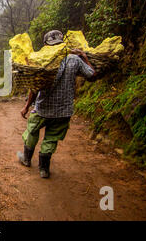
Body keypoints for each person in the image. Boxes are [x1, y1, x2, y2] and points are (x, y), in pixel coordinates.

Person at [17, 30, 96, 179]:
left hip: (42, 109)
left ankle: (26, 159)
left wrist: (27, 106)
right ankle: (44, 170)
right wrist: (85, 58)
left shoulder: (42, 60)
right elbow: (92, 75)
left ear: (46, 44)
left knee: (32, 131)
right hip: (63, 111)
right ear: (62, 42)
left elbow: (34, 88)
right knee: (51, 138)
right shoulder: (74, 59)